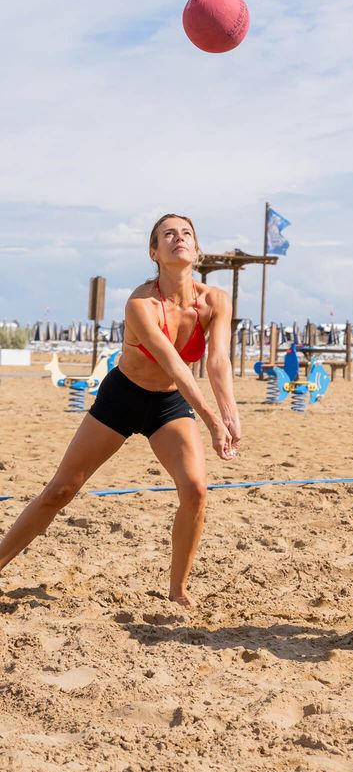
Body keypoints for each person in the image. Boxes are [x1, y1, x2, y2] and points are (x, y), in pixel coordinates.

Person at [0, 214, 241, 607]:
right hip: (122, 397)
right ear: (154, 251)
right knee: (60, 490)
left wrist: (230, 414)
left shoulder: (216, 301)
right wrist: (213, 421)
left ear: (196, 249)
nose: (179, 238)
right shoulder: (140, 304)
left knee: (196, 489)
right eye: (169, 234)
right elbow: (176, 367)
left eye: (187, 234)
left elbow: (218, 362)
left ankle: (178, 590)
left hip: (168, 405)